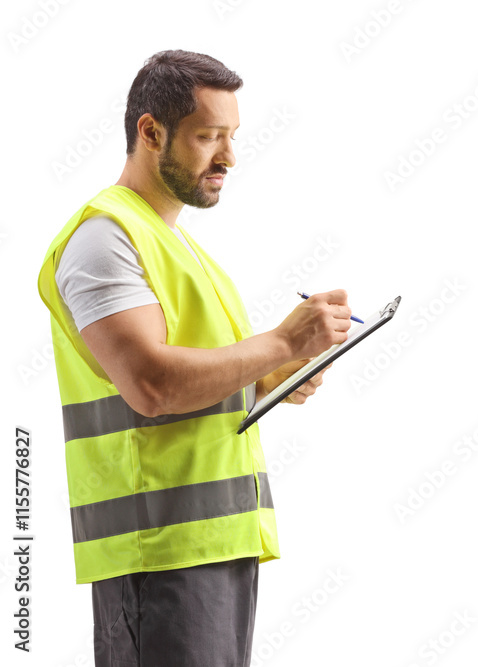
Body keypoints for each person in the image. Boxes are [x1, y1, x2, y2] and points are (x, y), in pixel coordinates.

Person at [36, 50, 353, 666]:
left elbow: (196, 381)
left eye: (231, 137)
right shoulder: (105, 238)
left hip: (212, 544)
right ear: (150, 132)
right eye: (208, 137)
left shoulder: (175, 244)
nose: (228, 158)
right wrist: (283, 343)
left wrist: (266, 379)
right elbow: (152, 385)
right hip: (160, 551)